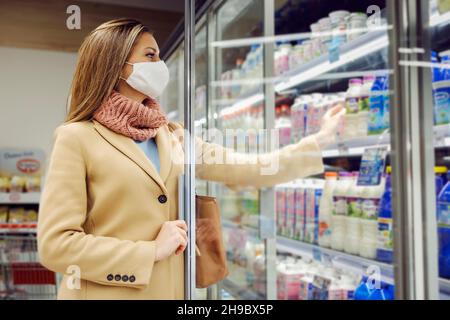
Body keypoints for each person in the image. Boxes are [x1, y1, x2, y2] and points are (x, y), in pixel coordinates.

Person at [37, 18, 345, 300]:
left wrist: (319, 142)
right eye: (150, 55)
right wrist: (149, 252)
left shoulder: (172, 135)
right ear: (119, 66)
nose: (160, 64)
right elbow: (56, 245)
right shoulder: (76, 137)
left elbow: (248, 167)